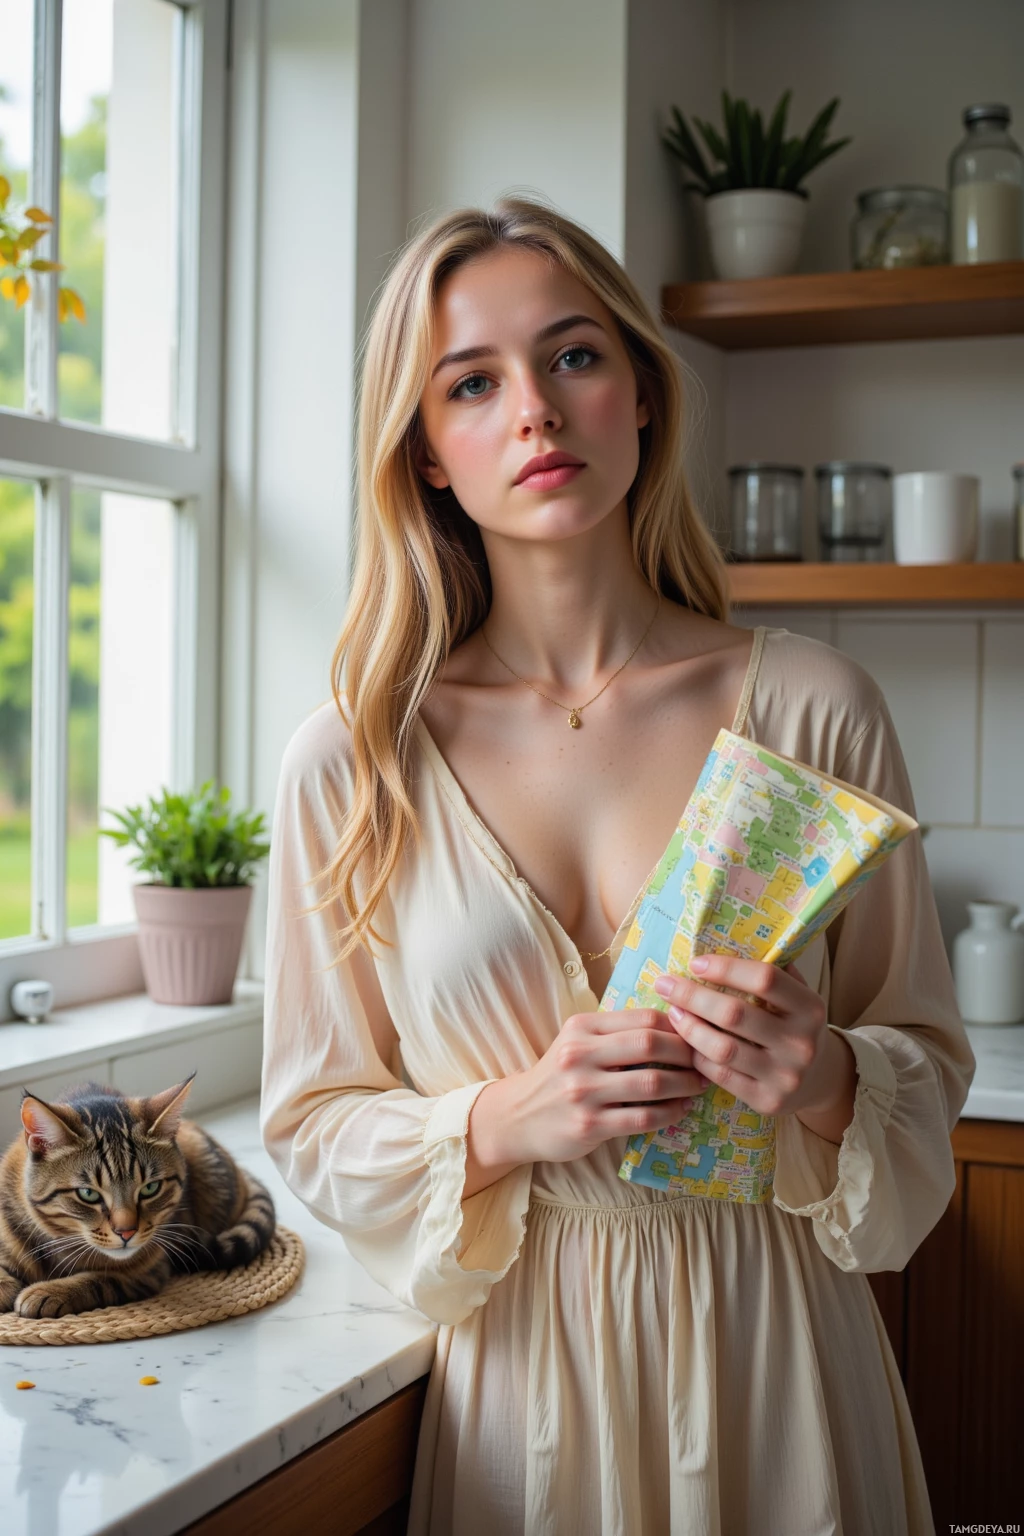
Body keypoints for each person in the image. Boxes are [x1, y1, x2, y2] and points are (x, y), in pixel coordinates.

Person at [260, 194, 975, 1536]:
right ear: (423, 452)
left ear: (642, 393)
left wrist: (818, 1076)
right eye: (471, 382)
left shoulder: (816, 708)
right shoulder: (354, 764)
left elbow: (927, 1062)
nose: (534, 408)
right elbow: (311, 1117)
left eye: (574, 355)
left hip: (782, 1366)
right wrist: (497, 1121)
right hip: (522, 1401)